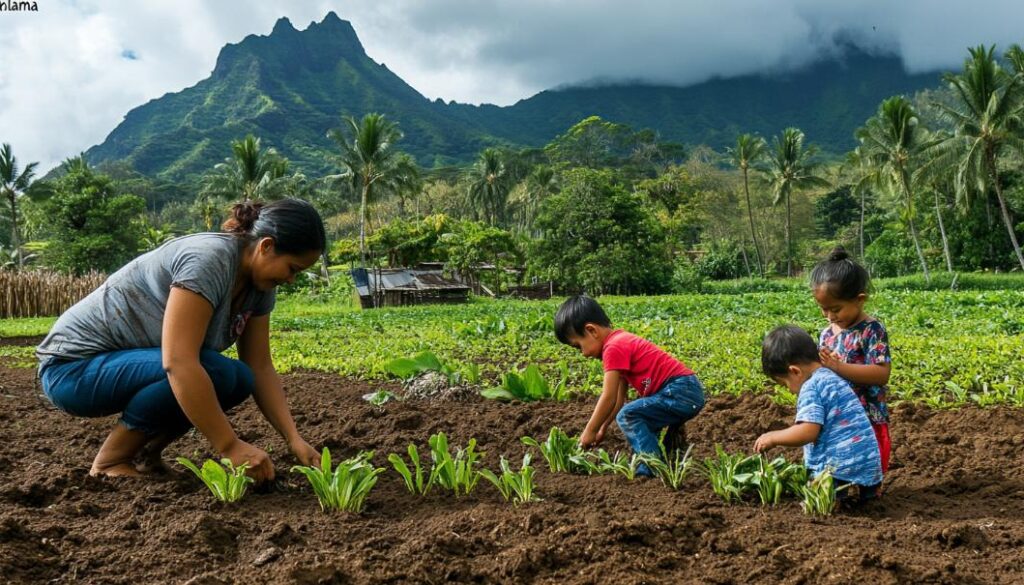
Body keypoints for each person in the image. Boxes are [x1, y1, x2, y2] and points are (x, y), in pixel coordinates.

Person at [36, 199, 326, 480]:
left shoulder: (260, 285)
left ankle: (145, 454)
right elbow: (178, 361)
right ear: (266, 246)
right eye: (292, 269)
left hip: (121, 367)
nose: (291, 280)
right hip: (72, 370)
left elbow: (260, 365)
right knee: (214, 371)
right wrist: (229, 446)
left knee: (239, 377)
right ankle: (112, 460)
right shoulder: (208, 260)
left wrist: (293, 438)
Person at [554, 295, 704, 475]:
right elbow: (618, 400)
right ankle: (672, 455)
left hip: (680, 390)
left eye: (578, 346)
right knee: (637, 416)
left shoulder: (613, 348)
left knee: (630, 415)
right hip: (685, 391)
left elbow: (607, 397)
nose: (583, 354)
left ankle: (650, 467)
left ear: (591, 330)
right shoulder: (620, 343)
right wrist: (603, 429)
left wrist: (589, 431)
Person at [754, 325, 882, 502]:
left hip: (839, 469)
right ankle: (869, 496)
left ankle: (838, 500)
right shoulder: (831, 375)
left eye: (785, 384)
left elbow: (807, 432)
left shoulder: (811, 387)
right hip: (869, 464)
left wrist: (774, 437)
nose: (790, 390)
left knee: (817, 500)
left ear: (795, 371)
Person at [810, 246, 892, 473]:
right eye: (823, 309)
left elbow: (881, 373)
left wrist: (839, 367)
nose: (829, 316)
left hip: (866, 415)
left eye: (835, 309)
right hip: (836, 416)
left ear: (860, 300)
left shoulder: (871, 330)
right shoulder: (827, 333)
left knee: (868, 464)